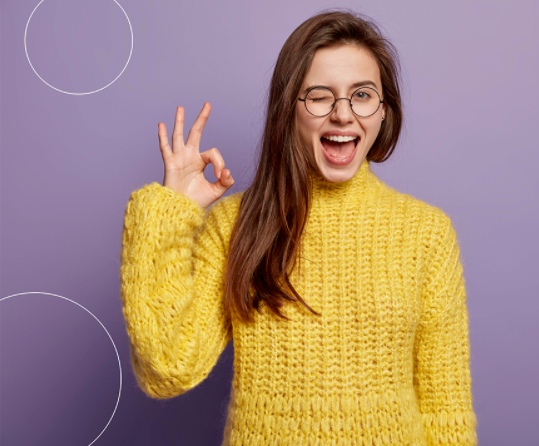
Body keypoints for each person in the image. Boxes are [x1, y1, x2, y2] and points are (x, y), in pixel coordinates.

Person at [120, 8, 477, 446]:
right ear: (289, 109)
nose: (343, 115)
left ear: (384, 112)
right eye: (320, 95)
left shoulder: (427, 233)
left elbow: (447, 412)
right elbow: (168, 367)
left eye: (362, 95)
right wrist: (171, 212)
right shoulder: (236, 225)